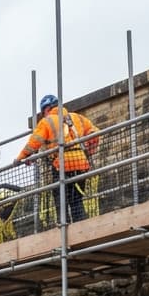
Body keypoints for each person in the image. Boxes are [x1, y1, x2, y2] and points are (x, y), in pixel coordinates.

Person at [13, 94, 100, 223]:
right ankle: (81, 224)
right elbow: (94, 133)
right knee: (76, 198)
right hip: (81, 163)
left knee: (60, 196)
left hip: (62, 165)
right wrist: (89, 152)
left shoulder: (47, 121)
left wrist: (21, 157)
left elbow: (34, 142)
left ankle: (63, 224)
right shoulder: (77, 118)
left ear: (47, 109)